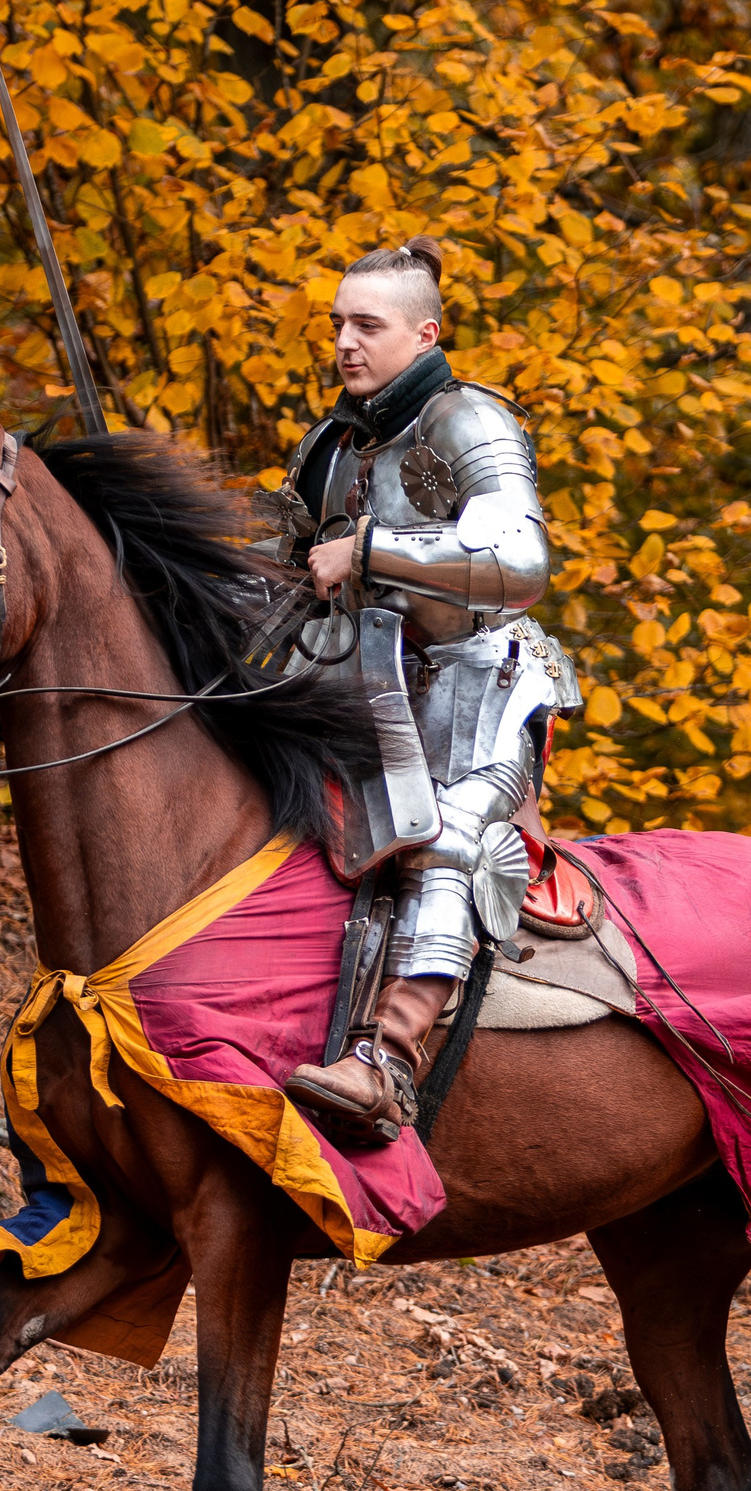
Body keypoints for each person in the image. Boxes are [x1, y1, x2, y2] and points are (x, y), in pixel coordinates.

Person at [261, 237, 579, 1140]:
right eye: (338, 325)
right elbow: (287, 564)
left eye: (368, 325)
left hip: (481, 688)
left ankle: (387, 1065)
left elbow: (521, 562)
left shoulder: (468, 420)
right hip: (353, 685)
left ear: (425, 333)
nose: (345, 343)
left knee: (445, 840)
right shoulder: (332, 442)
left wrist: (368, 549)